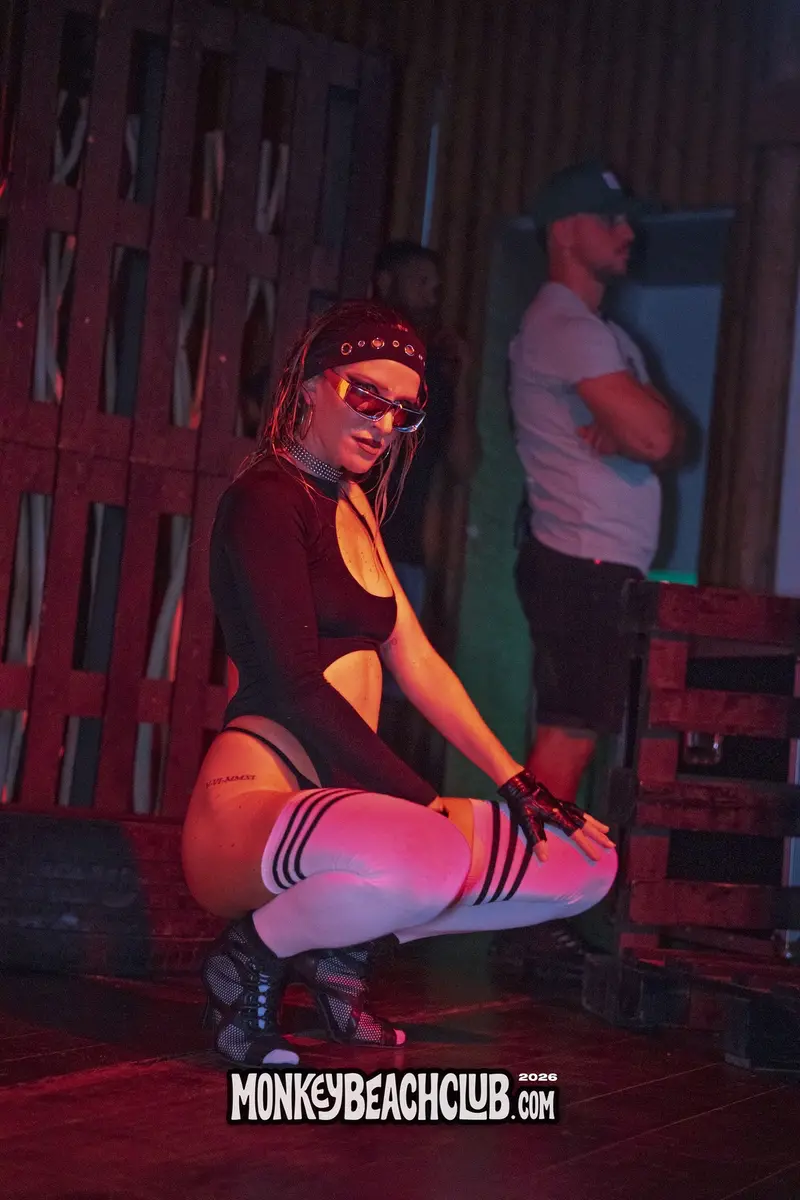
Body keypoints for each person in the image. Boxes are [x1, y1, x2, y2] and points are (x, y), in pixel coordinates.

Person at [181, 298, 617, 1068]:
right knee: (431, 851)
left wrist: (515, 781)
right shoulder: (263, 499)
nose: (383, 424)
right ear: (312, 384)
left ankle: (337, 953)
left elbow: (414, 659)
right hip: (257, 799)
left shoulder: (354, 503)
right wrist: (423, 802)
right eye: (366, 396)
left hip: (344, 808)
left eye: (403, 412)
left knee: (584, 862)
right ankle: (247, 959)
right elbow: (293, 687)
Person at [509, 163, 684, 900]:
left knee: (575, 733)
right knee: (567, 738)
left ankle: (529, 905)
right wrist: (635, 424)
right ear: (563, 231)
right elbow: (658, 436)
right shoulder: (565, 324)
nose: (626, 231)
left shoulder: (600, 334)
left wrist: (636, 424)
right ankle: (523, 907)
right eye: (608, 218)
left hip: (597, 562)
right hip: (580, 559)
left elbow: (661, 433)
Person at [372, 242, 480, 768]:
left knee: (398, 688)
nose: (431, 296)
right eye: (421, 282)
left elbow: (463, 462)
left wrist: (461, 381)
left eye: (436, 287)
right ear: (385, 282)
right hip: (348, 536)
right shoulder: (359, 352)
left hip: (405, 545)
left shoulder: (435, 366)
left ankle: (378, 794)